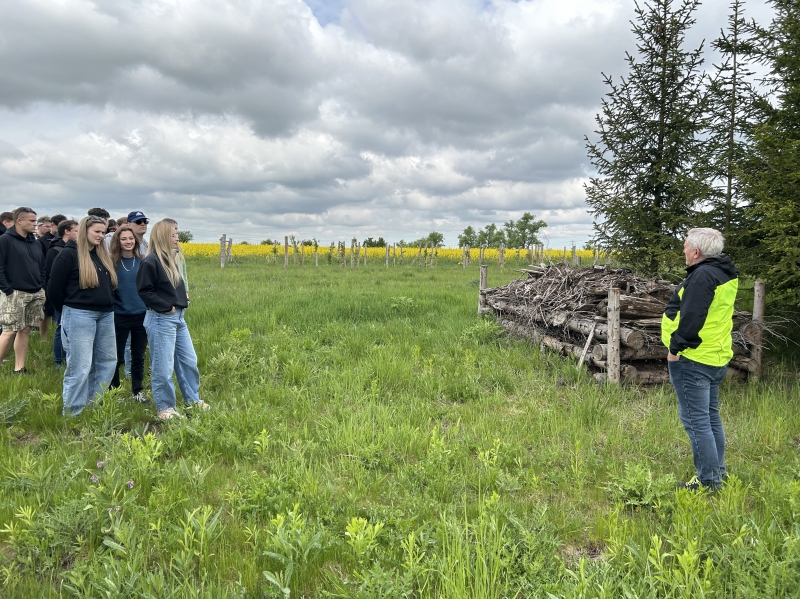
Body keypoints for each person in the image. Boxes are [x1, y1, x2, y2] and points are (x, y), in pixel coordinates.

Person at [662, 228, 739, 491]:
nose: (683, 250)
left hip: (693, 358)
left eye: (685, 246)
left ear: (696, 252)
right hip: (714, 356)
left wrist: (675, 348)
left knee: (697, 421)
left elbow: (692, 317)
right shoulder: (723, 272)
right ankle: (718, 473)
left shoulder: (703, 275)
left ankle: (708, 482)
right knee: (710, 417)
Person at [137, 220, 208, 419]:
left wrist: (182, 298)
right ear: (162, 237)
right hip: (161, 319)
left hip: (178, 318)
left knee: (188, 361)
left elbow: (170, 288)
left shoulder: (172, 259)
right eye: (174, 234)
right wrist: (166, 307)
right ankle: (165, 407)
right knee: (163, 365)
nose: (177, 238)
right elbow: (144, 291)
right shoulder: (150, 261)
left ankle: (193, 400)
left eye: (177, 234)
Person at [48, 216, 117, 415]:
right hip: (79, 314)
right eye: (97, 231)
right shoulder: (68, 255)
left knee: (107, 360)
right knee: (80, 364)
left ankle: (93, 405)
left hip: (105, 314)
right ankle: (73, 411)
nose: (101, 236)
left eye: (103, 232)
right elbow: (54, 289)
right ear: (84, 230)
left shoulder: (101, 255)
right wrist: (66, 312)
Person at [0, 207, 46, 373]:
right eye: (32, 221)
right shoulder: (5, 240)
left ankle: (19, 368)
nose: (35, 224)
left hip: (35, 292)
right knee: (9, 331)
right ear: (19, 221)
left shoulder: (35, 242)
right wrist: (8, 289)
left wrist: (42, 287)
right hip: (14, 293)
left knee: (25, 329)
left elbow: (41, 266)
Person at [108, 226, 148, 402]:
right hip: (119, 316)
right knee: (116, 356)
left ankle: (137, 390)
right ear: (118, 241)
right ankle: (114, 391)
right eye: (124, 239)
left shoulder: (143, 262)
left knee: (138, 356)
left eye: (131, 238)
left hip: (141, 315)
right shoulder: (111, 263)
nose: (128, 242)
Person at [45, 219, 78, 368]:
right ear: (67, 231)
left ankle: (69, 358)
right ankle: (59, 360)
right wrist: (60, 303)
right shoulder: (56, 250)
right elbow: (53, 278)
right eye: (76, 231)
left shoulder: (76, 250)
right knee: (61, 327)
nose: (79, 234)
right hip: (63, 298)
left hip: (73, 299)